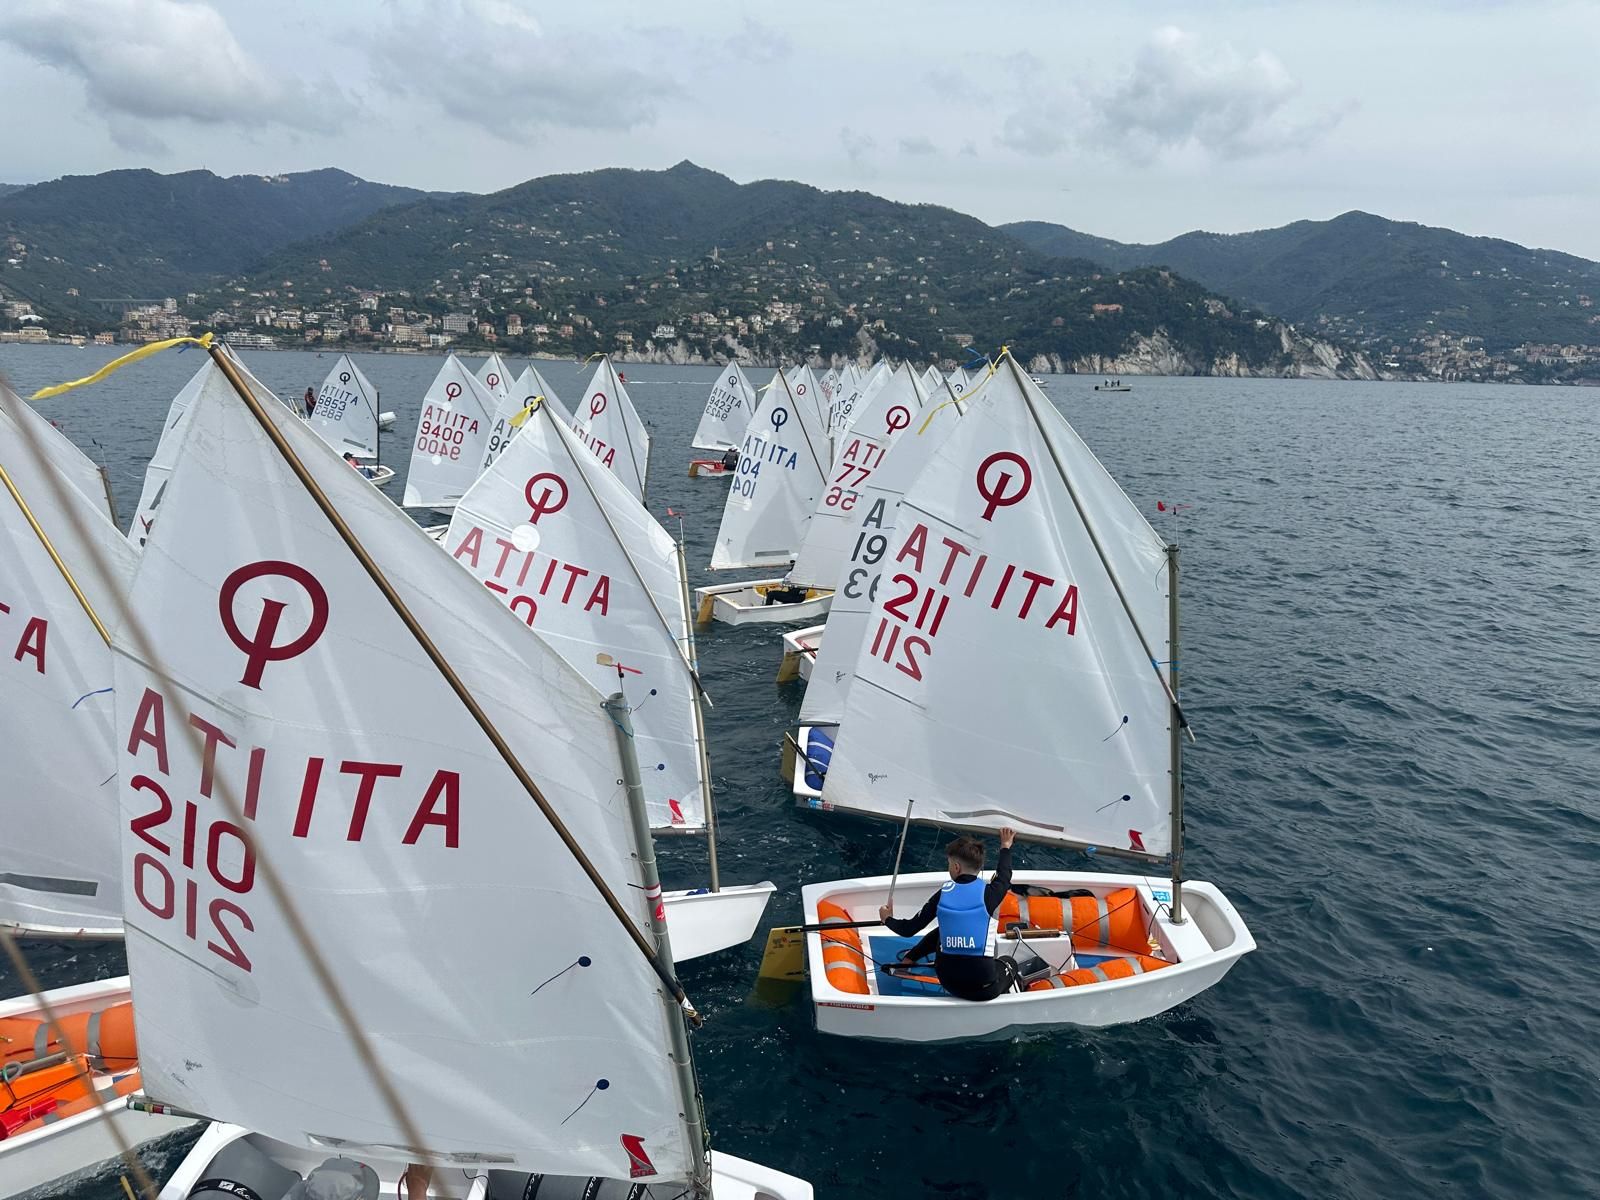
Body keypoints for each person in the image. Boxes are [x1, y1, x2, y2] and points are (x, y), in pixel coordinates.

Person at [880, 828, 1016, 1000]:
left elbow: (909, 929)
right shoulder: (992, 893)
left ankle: (911, 957)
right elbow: (1004, 874)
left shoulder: (943, 894)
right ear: (979, 866)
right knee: (1010, 963)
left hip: (948, 982)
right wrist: (1005, 846)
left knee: (943, 930)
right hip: (983, 991)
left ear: (956, 867)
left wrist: (887, 919)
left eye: (949, 864)